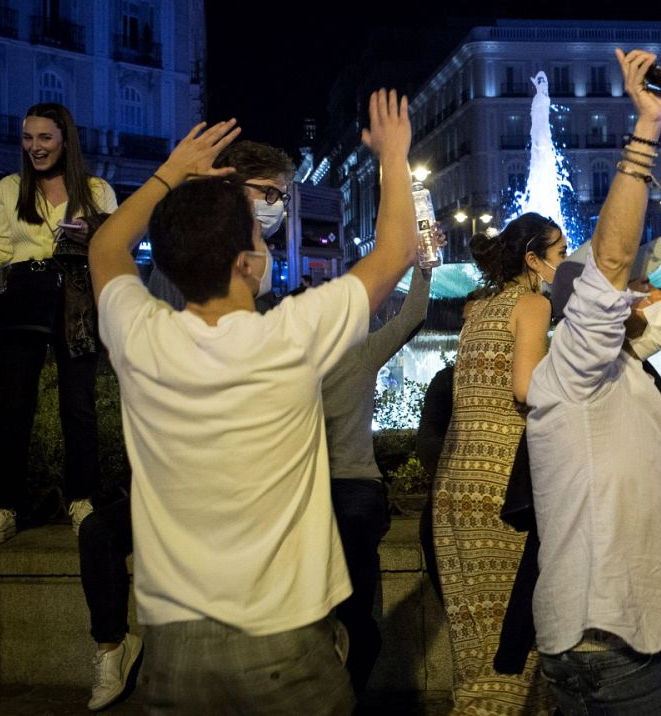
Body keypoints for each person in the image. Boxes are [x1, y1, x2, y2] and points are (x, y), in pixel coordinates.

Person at [87, 90, 417, 712]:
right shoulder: (289, 338)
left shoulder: (141, 338)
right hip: (284, 643)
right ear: (246, 262)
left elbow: (106, 248)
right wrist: (392, 156)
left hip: (173, 652)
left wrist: (170, 175)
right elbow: (395, 253)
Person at [525, 47, 661, 715]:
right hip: (607, 647)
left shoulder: (635, 376)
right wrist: (647, 126)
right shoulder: (577, 372)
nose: (644, 296)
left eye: (643, 288)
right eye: (629, 292)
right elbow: (611, 257)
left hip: (650, 640)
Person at [432, 215, 567, 714]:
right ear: (533, 260)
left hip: (455, 482)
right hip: (501, 482)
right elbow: (526, 388)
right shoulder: (534, 304)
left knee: (474, 626)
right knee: (512, 625)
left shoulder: (480, 306)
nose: (566, 262)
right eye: (560, 252)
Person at [0, 103, 117, 546]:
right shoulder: (9, 187)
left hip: (75, 296)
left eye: (44, 138)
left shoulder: (97, 189)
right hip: (23, 295)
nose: (34, 147)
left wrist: (91, 235)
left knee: (79, 405)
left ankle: (82, 501)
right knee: (14, 407)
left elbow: (115, 249)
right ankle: (4, 508)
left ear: (64, 140)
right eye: (28, 138)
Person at [322, 259, 433, 696]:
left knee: (351, 526)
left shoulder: (361, 354)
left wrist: (425, 267)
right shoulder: (285, 367)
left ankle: (356, 635)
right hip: (307, 485)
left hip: (355, 484)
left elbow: (412, 317)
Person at [146, 140, 295, 309]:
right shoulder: (181, 265)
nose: (277, 205)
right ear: (229, 190)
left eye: (281, 198)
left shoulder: (256, 259)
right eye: (269, 192)